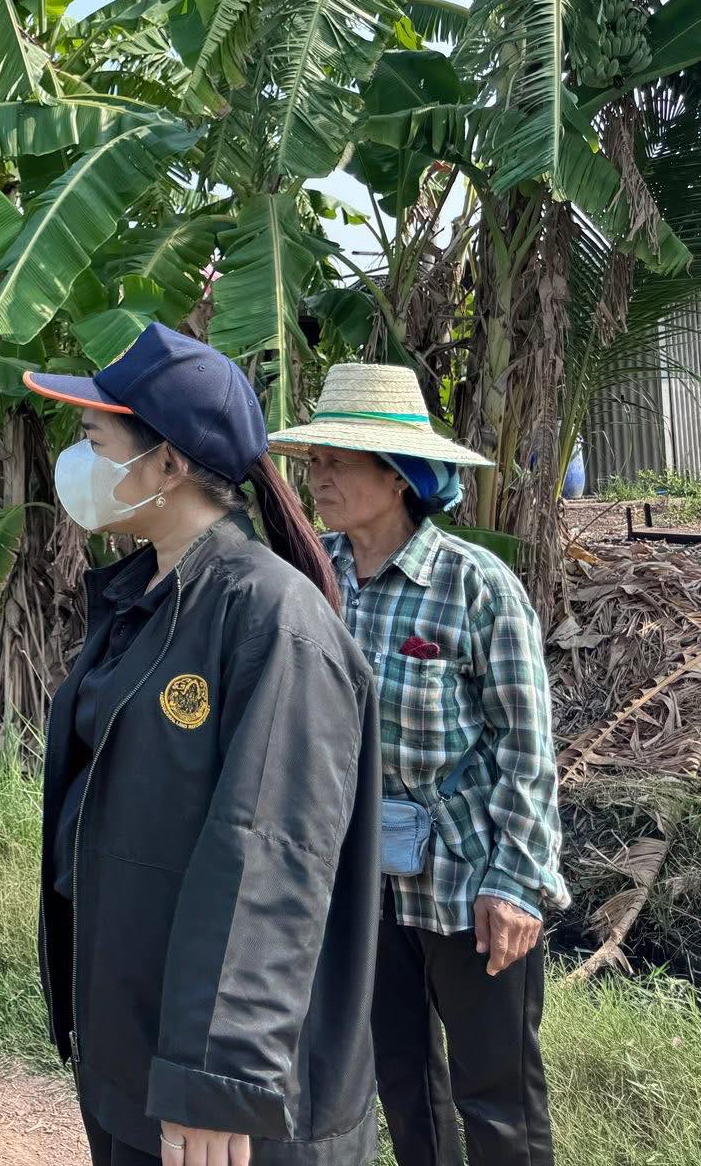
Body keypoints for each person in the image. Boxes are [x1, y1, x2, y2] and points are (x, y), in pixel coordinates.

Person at [25, 323, 382, 1166]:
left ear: (167, 463)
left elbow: (271, 857)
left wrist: (218, 1077)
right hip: (138, 1054)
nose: (76, 464)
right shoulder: (141, 594)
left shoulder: (271, 620)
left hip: (230, 1100)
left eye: (93, 440)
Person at [270, 364, 568, 1166]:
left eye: (339, 461)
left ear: (397, 478)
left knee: (497, 1098)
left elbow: (527, 750)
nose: (319, 477)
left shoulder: (477, 589)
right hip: (362, 879)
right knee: (402, 1082)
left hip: (469, 883)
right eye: (315, 460)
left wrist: (516, 883)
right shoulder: (314, 578)